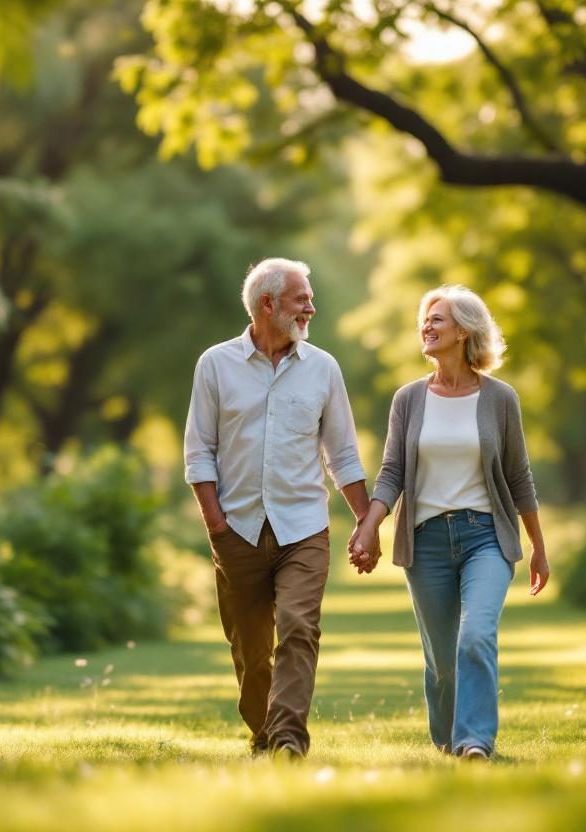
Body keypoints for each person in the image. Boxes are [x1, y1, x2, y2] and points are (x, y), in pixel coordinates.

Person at [184, 257, 375, 760]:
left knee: (297, 628)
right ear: (267, 304)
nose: (311, 308)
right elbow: (199, 453)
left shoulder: (323, 368)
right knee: (250, 650)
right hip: (236, 530)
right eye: (301, 299)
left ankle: (289, 738)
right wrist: (216, 525)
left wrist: (366, 522)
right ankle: (264, 731)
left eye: (310, 298)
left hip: (303, 528)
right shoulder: (215, 365)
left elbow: (342, 455)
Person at [349, 284, 549, 761]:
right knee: (442, 660)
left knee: (476, 635)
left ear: (464, 331)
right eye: (425, 319)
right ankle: (447, 740)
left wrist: (538, 547)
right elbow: (392, 471)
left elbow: (519, 476)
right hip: (427, 541)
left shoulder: (500, 398)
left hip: (486, 537)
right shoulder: (408, 399)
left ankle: (475, 740)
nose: (427, 326)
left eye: (437, 319)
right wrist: (369, 525)